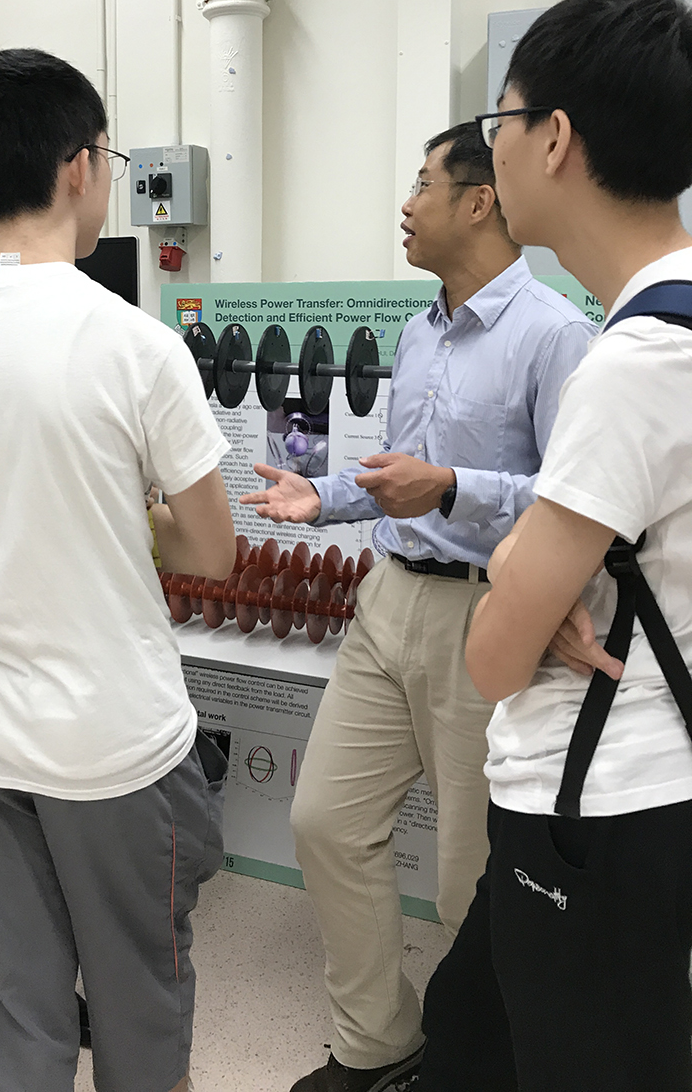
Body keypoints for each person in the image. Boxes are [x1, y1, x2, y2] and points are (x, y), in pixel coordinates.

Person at [0, 48, 236, 1092]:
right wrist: (126, 516)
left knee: (11, 1003)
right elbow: (211, 551)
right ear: (80, 165)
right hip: (114, 737)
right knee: (139, 994)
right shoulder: (135, 344)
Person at [241, 123, 594, 1092]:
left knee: (469, 882)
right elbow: (403, 479)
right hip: (386, 600)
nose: (405, 204)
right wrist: (327, 497)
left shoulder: (555, 334)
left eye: (422, 184)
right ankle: (379, 1043)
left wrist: (451, 487)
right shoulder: (418, 329)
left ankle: (486, 1063)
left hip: (488, 618)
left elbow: (577, 499)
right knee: (324, 820)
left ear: (478, 202)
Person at [416, 0, 692, 1092]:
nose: (493, 146)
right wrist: (529, 574)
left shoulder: (635, 363)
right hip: (640, 778)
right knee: (468, 1025)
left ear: (556, 138)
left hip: (598, 797)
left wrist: (520, 586)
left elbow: (492, 656)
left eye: (502, 119)